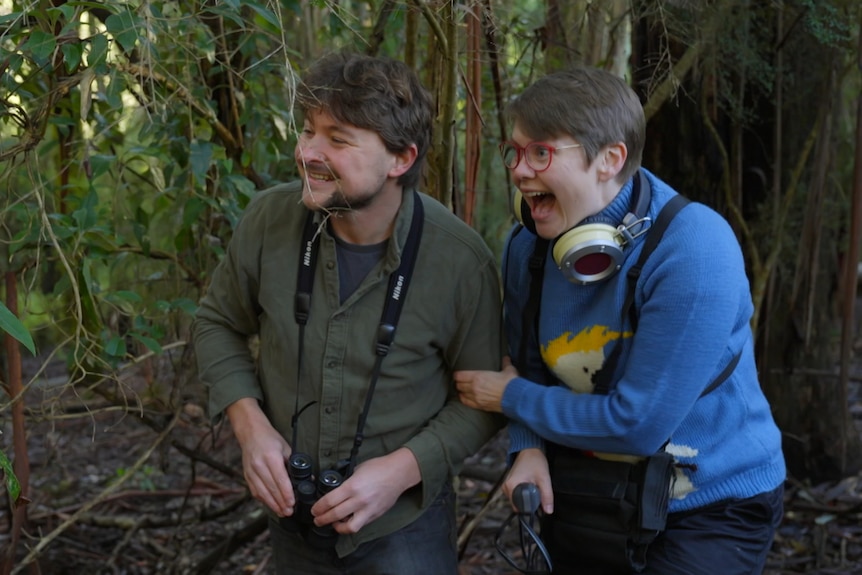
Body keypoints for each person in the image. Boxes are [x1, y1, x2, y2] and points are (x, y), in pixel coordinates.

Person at [454, 65, 786, 575]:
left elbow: (636, 425)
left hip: (710, 503)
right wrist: (526, 448)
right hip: (590, 490)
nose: (519, 171)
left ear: (610, 159)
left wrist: (508, 399)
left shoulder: (694, 250)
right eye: (515, 152)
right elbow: (523, 363)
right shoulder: (527, 246)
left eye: (541, 152)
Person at [193, 51, 504, 574]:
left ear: (400, 159)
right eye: (309, 131)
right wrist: (250, 426)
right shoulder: (270, 220)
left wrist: (403, 470)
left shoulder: (459, 259)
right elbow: (217, 323)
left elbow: (484, 400)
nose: (308, 152)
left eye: (337, 139)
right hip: (292, 519)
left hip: (405, 526)